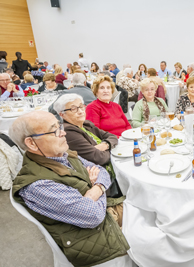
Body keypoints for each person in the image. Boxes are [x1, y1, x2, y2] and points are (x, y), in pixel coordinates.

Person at [10, 111, 130, 267]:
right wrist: (95, 186)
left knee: (153, 207)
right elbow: (93, 216)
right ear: (32, 143)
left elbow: (101, 171)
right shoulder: (38, 185)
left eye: (59, 126)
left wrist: (96, 188)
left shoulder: (62, 154)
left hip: (105, 212)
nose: (64, 132)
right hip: (96, 237)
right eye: (55, 130)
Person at [53, 93, 122, 196]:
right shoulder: (69, 132)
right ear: (62, 114)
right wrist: (110, 148)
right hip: (105, 180)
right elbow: (100, 158)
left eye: (81, 106)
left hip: (111, 166)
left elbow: (112, 136)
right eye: (73, 109)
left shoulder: (85, 124)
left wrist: (105, 144)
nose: (80, 111)